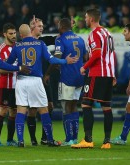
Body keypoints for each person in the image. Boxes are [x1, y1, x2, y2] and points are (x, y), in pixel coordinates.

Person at [6, 24, 78, 147]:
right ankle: (49, 139)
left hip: (21, 81)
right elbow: (52, 60)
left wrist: (17, 68)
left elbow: (7, 64)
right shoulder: (40, 44)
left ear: (21, 35)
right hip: (35, 80)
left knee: (21, 110)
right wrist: (65, 61)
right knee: (44, 109)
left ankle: (20, 141)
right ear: (30, 32)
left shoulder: (17, 46)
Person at [71, 8, 116, 149]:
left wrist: (84, 67)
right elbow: (111, 55)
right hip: (108, 74)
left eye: (85, 17)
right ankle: (107, 142)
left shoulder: (94, 34)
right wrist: (113, 74)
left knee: (85, 104)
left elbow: (96, 55)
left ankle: (88, 140)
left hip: (97, 73)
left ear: (91, 19)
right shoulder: (107, 33)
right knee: (106, 107)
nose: (84, 20)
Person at [45, 18, 87, 146]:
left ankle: (69, 139)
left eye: (58, 25)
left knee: (66, 107)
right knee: (74, 105)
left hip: (67, 77)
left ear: (62, 26)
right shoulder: (80, 39)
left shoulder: (60, 39)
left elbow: (57, 57)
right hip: (80, 76)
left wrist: (47, 73)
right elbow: (86, 58)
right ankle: (74, 137)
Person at [26, 16, 57, 146]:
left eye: (42, 26)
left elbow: (56, 38)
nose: (42, 28)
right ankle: (33, 139)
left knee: (49, 106)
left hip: (44, 80)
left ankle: (45, 137)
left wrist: (68, 29)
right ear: (32, 27)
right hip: (32, 80)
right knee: (32, 109)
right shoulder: (25, 42)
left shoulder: (43, 41)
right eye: (39, 26)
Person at [0, 23, 18, 147]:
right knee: (3, 111)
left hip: (17, 86)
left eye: (14, 33)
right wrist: (16, 69)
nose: (13, 36)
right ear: (4, 34)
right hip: (4, 85)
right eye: (11, 34)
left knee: (14, 112)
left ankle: (9, 140)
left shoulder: (18, 47)